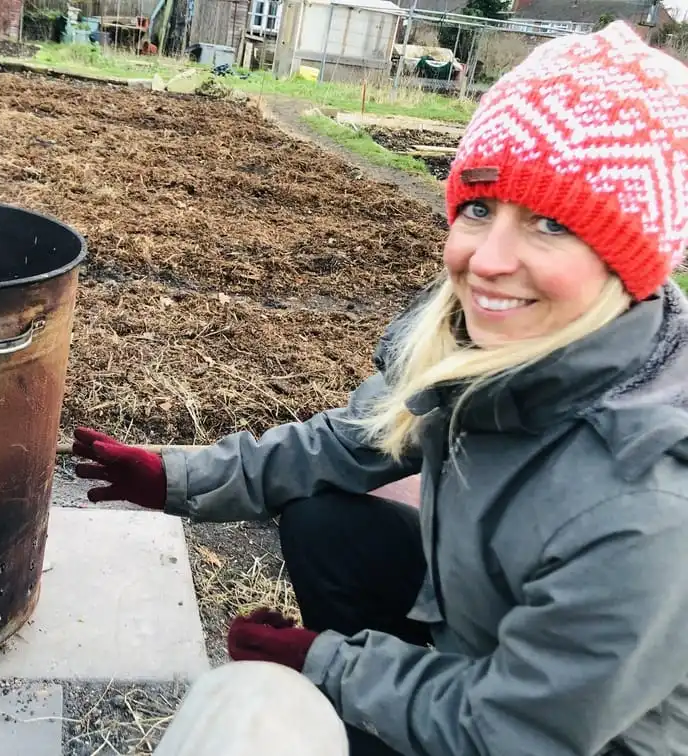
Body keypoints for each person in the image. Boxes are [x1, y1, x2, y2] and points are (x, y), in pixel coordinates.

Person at [73, 21, 688, 756]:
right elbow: (352, 438)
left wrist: (325, 664)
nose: (488, 261)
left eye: (550, 224)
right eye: (480, 207)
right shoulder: (486, 339)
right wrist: (173, 476)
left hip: (561, 738)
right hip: (477, 647)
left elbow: (515, 731)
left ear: (631, 260)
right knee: (327, 524)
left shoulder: (649, 502)